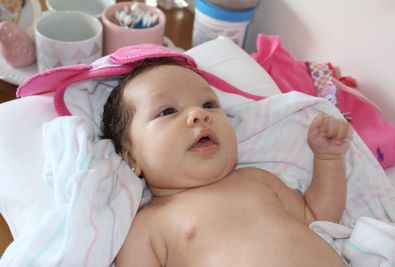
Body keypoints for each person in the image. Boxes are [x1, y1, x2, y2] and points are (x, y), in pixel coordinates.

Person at [101, 57, 352, 267]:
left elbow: (318, 218)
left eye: (208, 104)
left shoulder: (257, 180)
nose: (198, 114)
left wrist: (328, 157)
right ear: (132, 158)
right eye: (167, 111)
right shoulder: (148, 227)